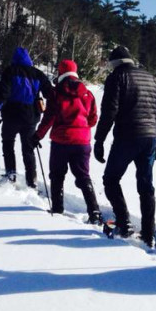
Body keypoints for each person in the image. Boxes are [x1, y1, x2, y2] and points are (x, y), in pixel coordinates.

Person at [94, 46, 156, 247]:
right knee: (146, 187)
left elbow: (109, 111)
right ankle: (149, 233)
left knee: (110, 179)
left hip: (127, 137)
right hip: (149, 138)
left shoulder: (117, 77)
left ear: (114, 64)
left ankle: (124, 222)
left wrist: (99, 140)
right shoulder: (152, 78)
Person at [33, 59, 102, 224]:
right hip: (82, 142)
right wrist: (82, 127)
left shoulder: (56, 93)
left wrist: (37, 136)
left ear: (60, 72)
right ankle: (94, 212)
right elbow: (93, 119)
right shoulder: (88, 93)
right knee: (83, 176)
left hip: (61, 142)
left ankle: (57, 209)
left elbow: (49, 118)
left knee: (57, 176)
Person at [0, 47, 52, 187]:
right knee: (28, 148)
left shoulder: (10, 71)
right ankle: (32, 179)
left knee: (8, 144)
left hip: (11, 115)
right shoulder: (38, 74)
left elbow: (2, 93)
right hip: (31, 117)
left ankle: (11, 174)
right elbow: (50, 93)